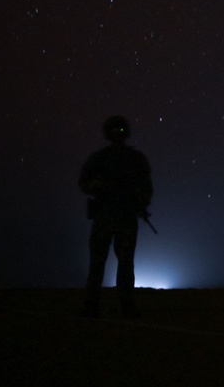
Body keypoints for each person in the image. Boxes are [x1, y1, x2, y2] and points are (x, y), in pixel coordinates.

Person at [79, 115, 153, 318]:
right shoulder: (110, 159)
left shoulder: (119, 159)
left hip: (119, 217)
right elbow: (84, 182)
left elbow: (146, 188)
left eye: (119, 131)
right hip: (111, 216)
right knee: (107, 264)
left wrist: (140, 201)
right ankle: (106, 307)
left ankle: (108, 307)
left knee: (118, 264)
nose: (117, 135)